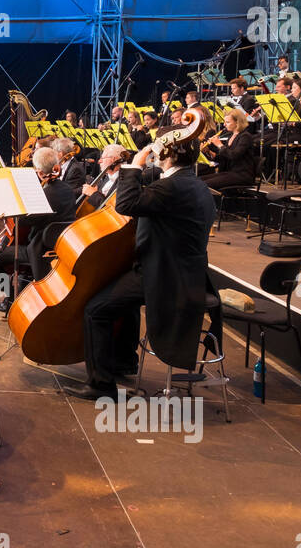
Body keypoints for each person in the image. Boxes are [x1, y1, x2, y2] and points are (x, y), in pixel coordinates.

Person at [68, 126, 216, 399]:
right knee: (123, 300)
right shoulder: (194, 183)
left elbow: (126, 204)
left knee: (95, 309)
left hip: (163, 275)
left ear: (166, 152)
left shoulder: (170, 187)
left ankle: (100, 385)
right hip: (185, 271)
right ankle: (124, 361)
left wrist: (135, 164)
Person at [0, 147, 80, 312]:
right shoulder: (67, 189)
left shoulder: (45, 196)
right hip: (59, 245)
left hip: (38, 248)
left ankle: (7, 298)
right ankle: (13, 295)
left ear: (39, 171)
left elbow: (23, 221)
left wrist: (9, 209)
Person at [201, 108, 258, 190]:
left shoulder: (245, 136)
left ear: (237, 122)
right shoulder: (231, 136)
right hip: (229, 172)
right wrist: (209, 152)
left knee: (205, 184)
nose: (224, 124)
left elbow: (234, 155)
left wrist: (219, 144)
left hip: (241, 175)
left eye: (227, 122)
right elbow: (224, 158)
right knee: (199, 180)